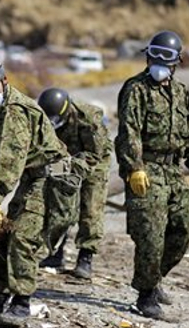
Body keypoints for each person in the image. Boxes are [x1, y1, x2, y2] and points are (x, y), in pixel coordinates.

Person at [0, 52, 70, 328]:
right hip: (31, 176)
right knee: (4, 236)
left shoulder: (15, 111)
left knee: (23, 236)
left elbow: (10, 160)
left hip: (51, 180)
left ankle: (22, 302)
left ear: (4, 80)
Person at [115, 30, 189, 320]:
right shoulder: (135, 89)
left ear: (177, 62)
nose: (158, 63)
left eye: (165, 58)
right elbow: (128, 133)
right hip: (147, 169)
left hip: (173, 171)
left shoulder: (181, 92)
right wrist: (135, 168)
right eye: (154, 56)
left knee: (185, 228)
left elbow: (188, 128)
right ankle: (146, 296)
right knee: (151, 236)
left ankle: (153, 279)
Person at [36, 87, 112, 279]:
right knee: (58, 206)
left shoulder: (88, 119)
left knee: (91, 209)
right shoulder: (43, 118)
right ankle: (55, 253)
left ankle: (85, 258)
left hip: (94, 162)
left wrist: (67, 166)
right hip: (66, 159)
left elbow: (95, 155)